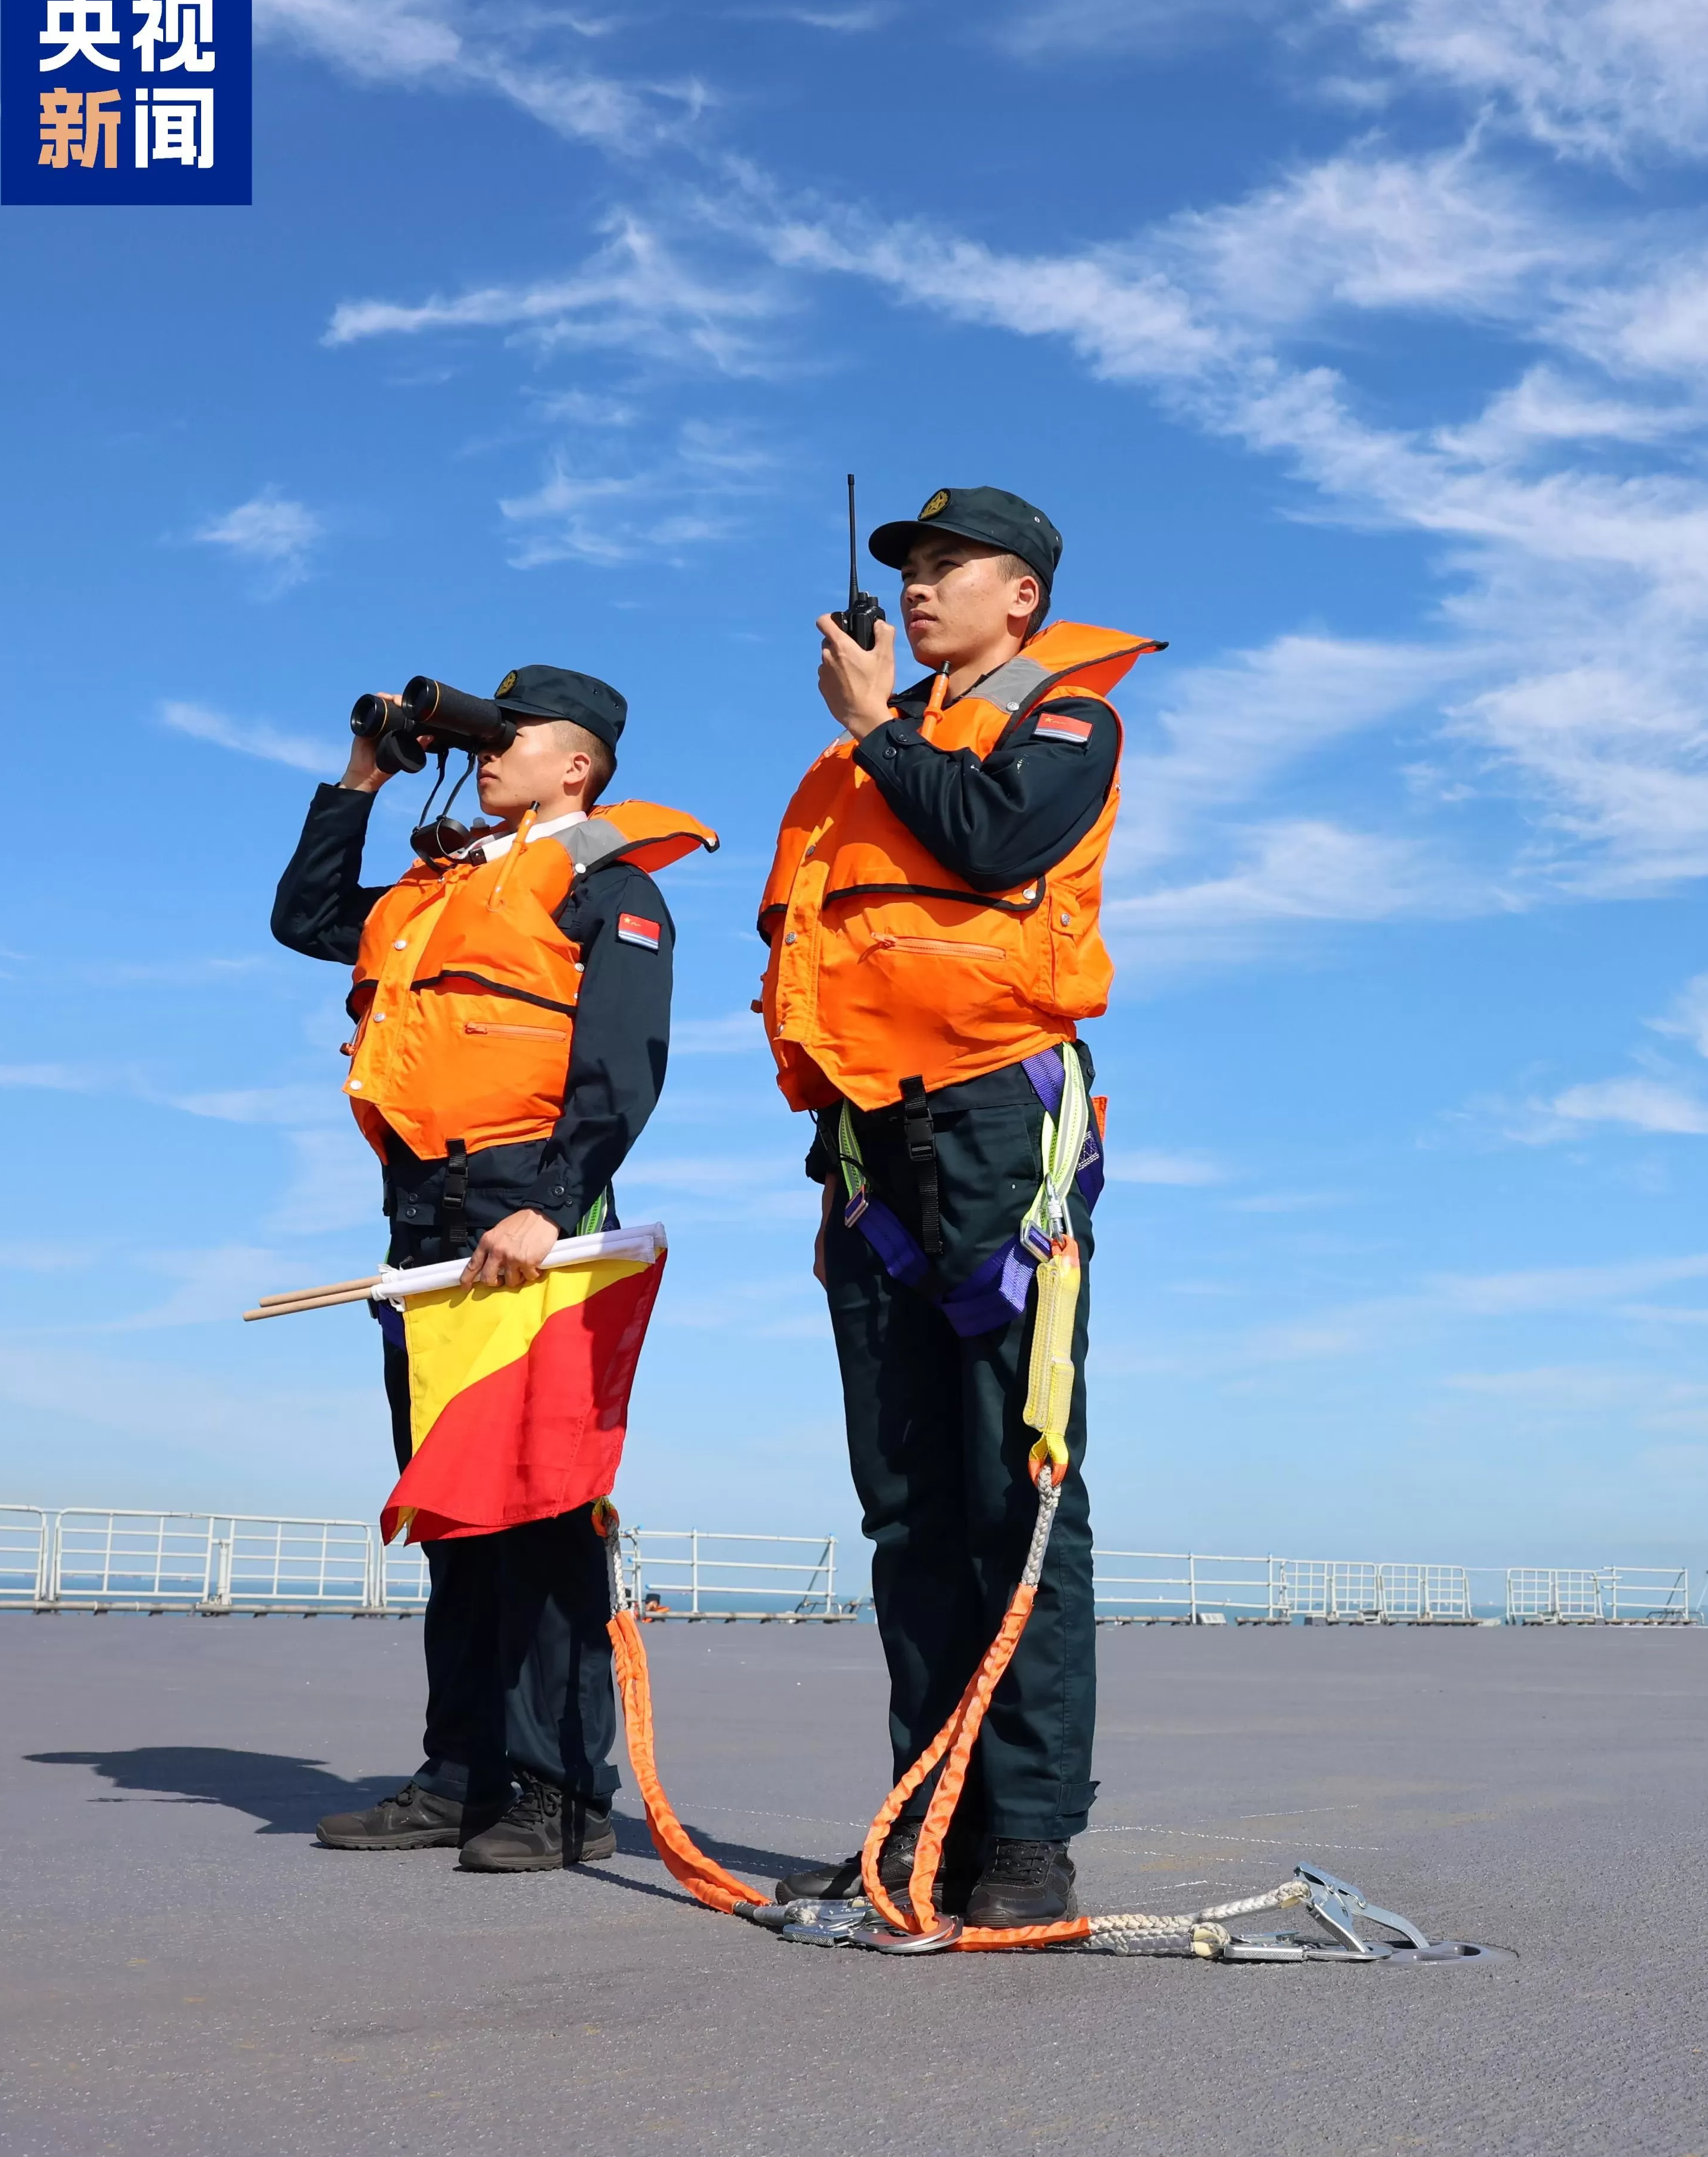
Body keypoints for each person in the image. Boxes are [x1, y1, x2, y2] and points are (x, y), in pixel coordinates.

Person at [757, 488, 1157, 1929]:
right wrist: (874, 737)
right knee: (907, 1506)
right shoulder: (852, 761)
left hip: (999, 1128)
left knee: (1016, 1482)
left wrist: (878, 726)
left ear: (1021, 597)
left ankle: (1028, 1837)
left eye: (946, 567)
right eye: (908, 570)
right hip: (868, 1146)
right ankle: (924, 1822)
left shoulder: (1064, 720)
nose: (918, 589)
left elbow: (996, 843)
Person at [269, 666, 715, 1871]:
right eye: (485, 734)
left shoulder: (608, 887)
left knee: (539, 1511)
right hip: (423, 1217)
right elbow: (308, 919)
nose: (488, 751)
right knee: (454, 1511)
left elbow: (622, 1065)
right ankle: (461, 1772)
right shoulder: (442, 888)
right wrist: (363, 777)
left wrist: (550, 1208)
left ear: (576, 765)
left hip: (529, 1217)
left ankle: (558, 1791)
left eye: (511, 737)